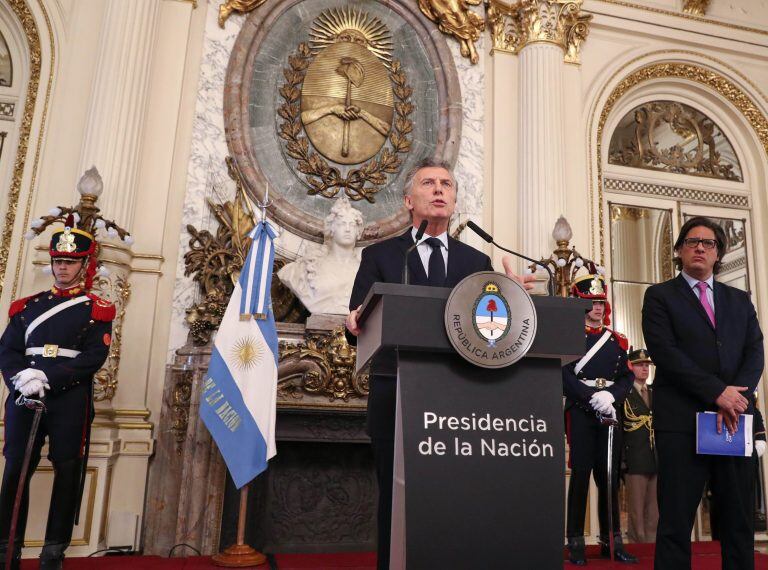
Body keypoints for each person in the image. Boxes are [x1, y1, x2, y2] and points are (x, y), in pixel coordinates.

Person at [345, 157, 533, 570]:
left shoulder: (475, 263)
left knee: (451, 498)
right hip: (393, 389)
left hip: (458, 398)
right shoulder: (381, 256)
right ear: (409, 200)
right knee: (395, 500)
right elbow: (356, 321)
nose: (439, 190)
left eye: (446, 184)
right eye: (429, 183)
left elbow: (490, 330)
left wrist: (513, 300)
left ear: (454, 199)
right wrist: (353, 320)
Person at [642, 216, 764, 570]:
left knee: (738, 520)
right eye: (692, 241)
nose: (700, 247)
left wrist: (736, 397)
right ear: (679, 250)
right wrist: (717, 393)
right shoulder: (660, 296)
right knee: (676, 521)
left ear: (718, 253)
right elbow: (666, 353)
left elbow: (755, 351)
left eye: (708, 243)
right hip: (682, 422)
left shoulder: (739, 300)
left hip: (733, 421)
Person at [0, 218, 115, 570]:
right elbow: (8, 351)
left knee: (67, 470)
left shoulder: (97, 309)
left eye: (70, 262)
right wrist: (22, 379)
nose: (62, 268)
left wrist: (46, 377)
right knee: (16, 468)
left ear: (84, 265)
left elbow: (94, 357)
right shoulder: (26, 307)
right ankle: (7, 548)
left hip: (67, 398)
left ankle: (53, 551)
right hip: (24, 395)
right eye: (58, 261)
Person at [562, 273, 637, 565]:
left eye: (600, 302)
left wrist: (612, 397)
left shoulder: (617, 340)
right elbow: (563, 373)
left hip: (608, 412)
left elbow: (627, 375)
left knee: (608, 478)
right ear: (580, 304)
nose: (596, 307)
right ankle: (576, 544)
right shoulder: (568, 335)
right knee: (581, 476)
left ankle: (612, 541)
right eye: (591, 302)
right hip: (582, 411)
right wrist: (588, 396)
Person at [278, 197, 364, 315]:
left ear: (358, 231)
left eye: (352, 225)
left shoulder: (365, 269)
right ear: (331, 229)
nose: (348, 229)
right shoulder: (304, 268)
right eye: (342, 224)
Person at [622, 348, 658, 544]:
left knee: (654, 507)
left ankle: (652, 544)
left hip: (655, 457)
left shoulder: (653, 392)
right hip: (634, 457)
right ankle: (637, 544)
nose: (645, 369)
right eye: (640, 365)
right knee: (636, 507)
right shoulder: (624, 393)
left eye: (647, 365)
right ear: (631, 367)